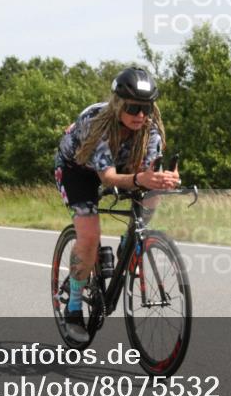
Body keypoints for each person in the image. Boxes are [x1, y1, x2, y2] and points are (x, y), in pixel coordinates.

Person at [53, 67, 179, 342]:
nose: (140, 115)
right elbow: (108, 177)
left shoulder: (150, 128)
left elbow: (147, 173)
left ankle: (129, 241)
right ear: (119, 104)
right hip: (78, 169)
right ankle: (73, 307)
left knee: (152, 187)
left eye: (146, 108)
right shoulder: (96, 122)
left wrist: (163, 178)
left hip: (120, 164)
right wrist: (140, 178)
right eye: (133, 108)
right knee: (89, 235)